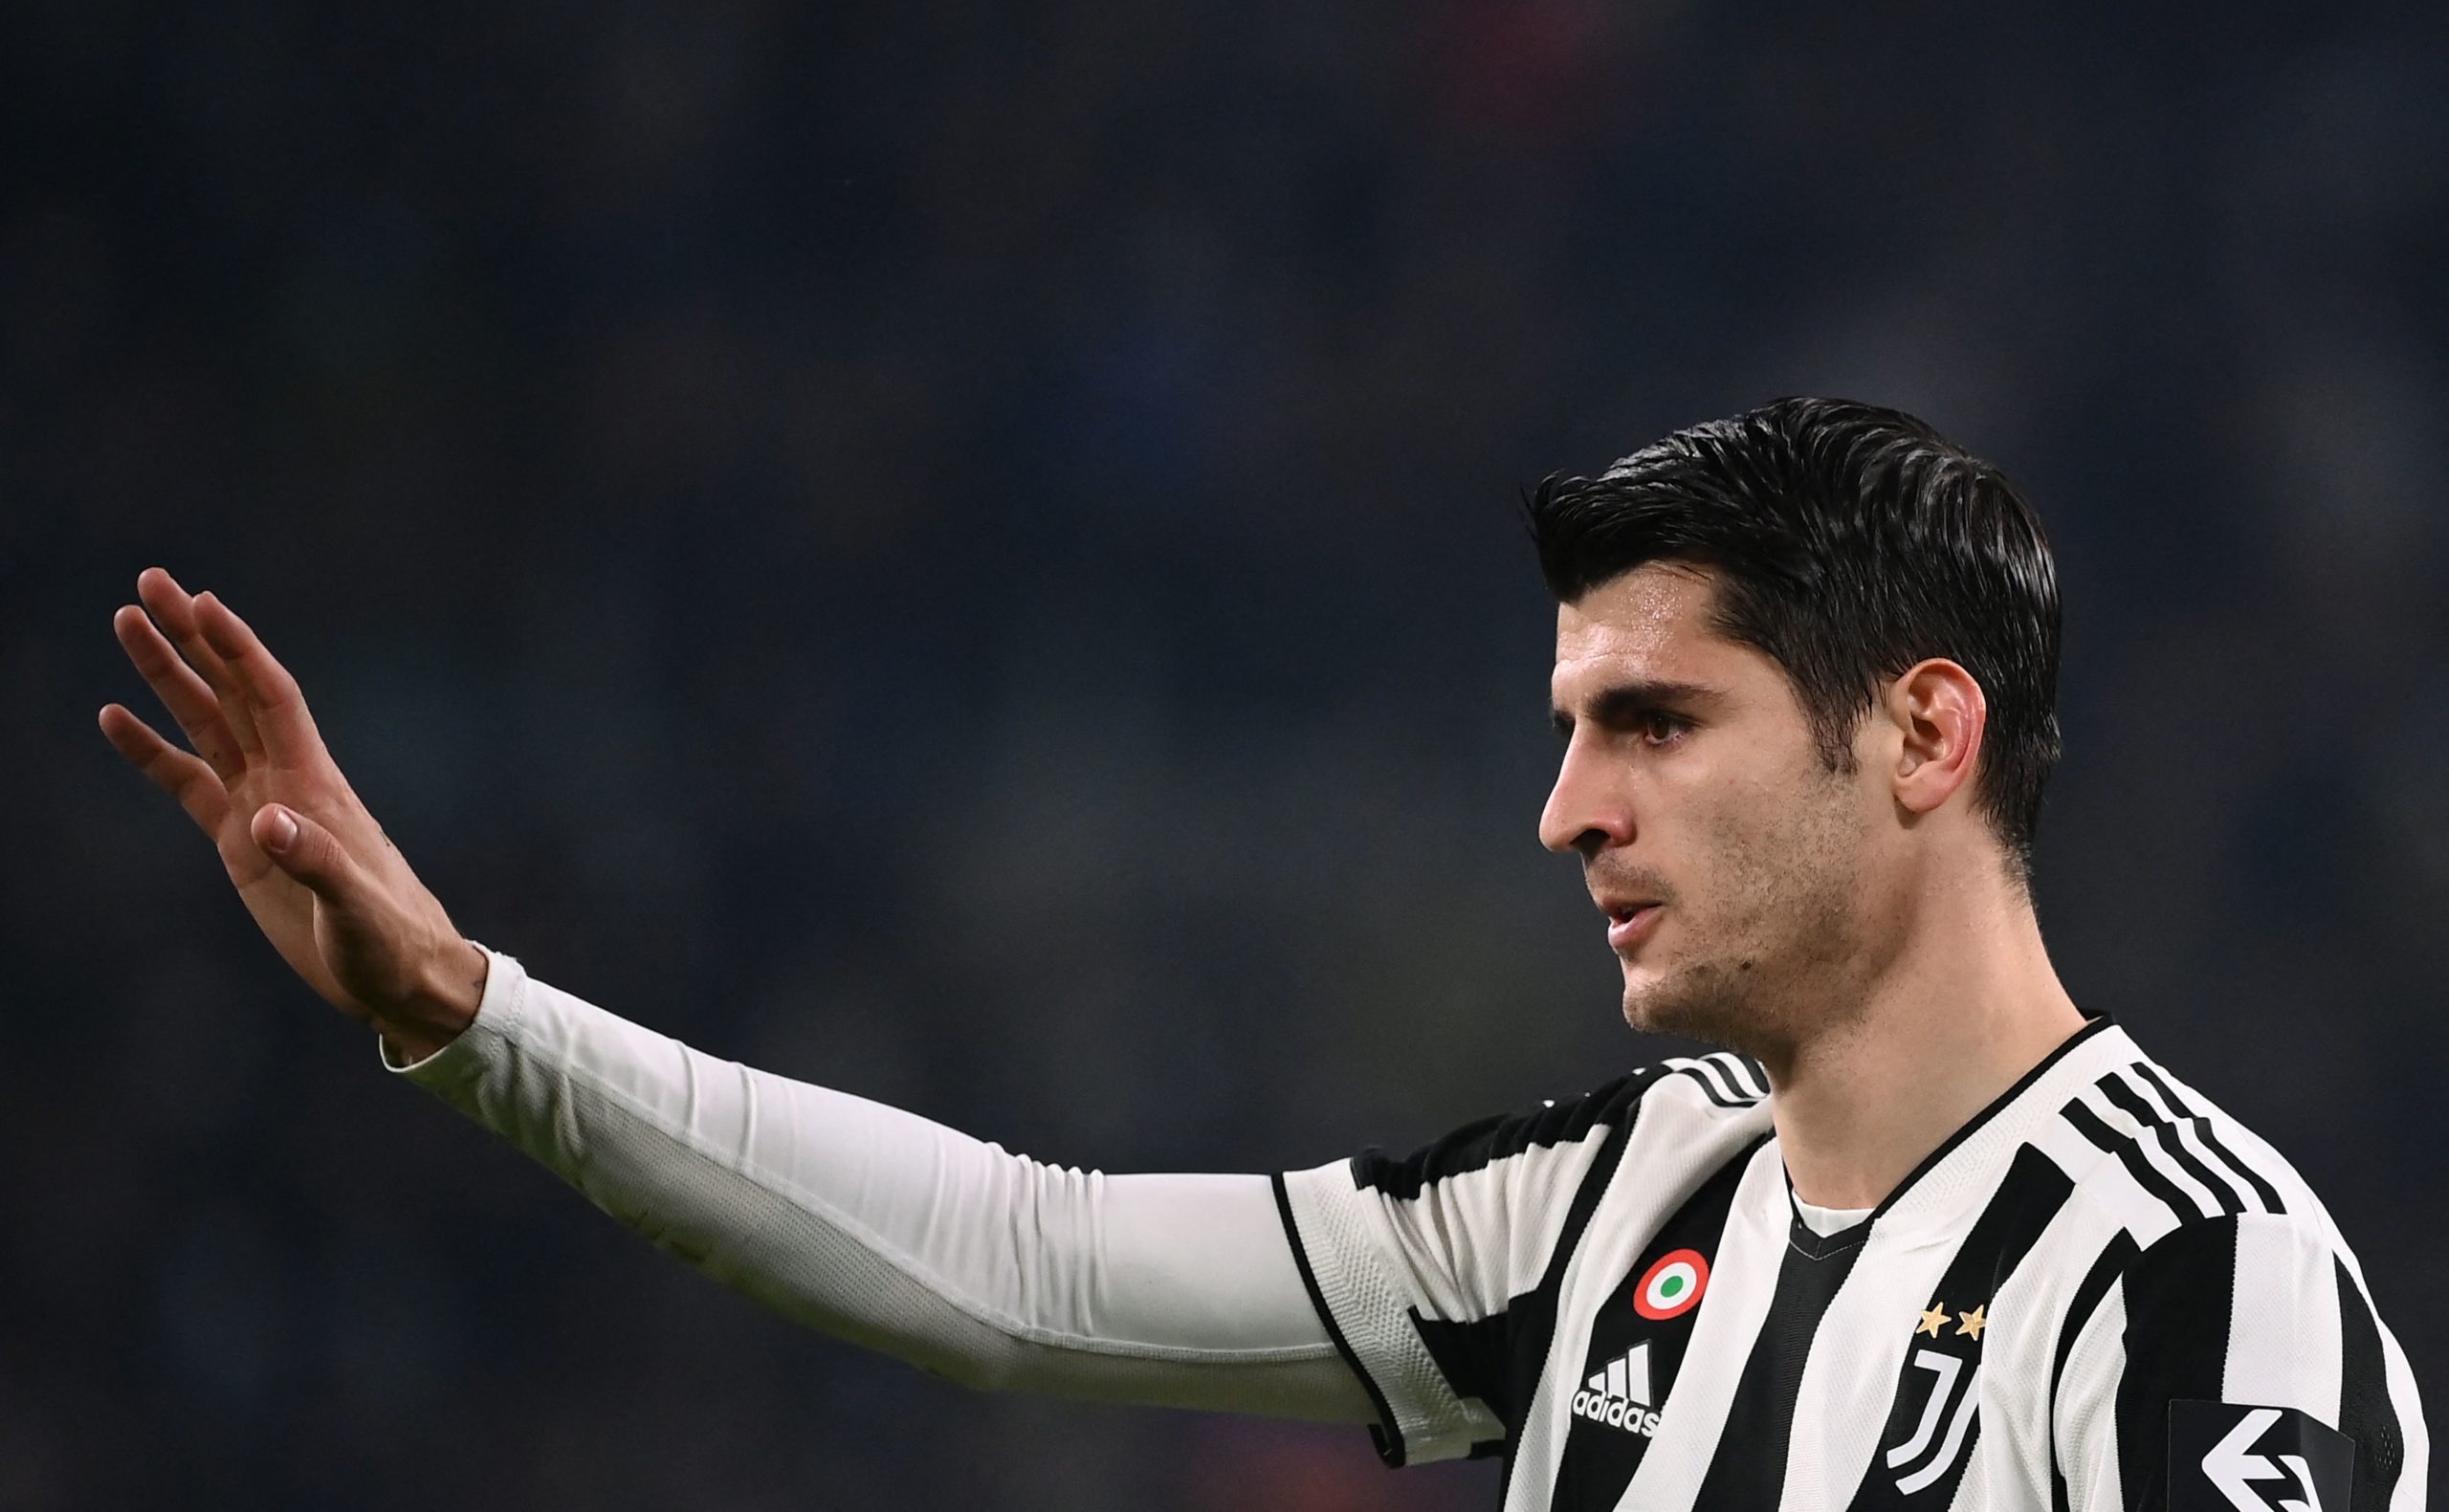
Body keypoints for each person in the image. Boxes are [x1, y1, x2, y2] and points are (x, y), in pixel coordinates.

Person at [99, 398, 2424, 1510]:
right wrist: (471, 1016)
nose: (1566, 808)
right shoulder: (1625, 1198)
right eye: (1561, 726)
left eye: (1652, 721)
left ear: (1919, 730)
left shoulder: (2201, 1292)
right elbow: (1023, 1266)